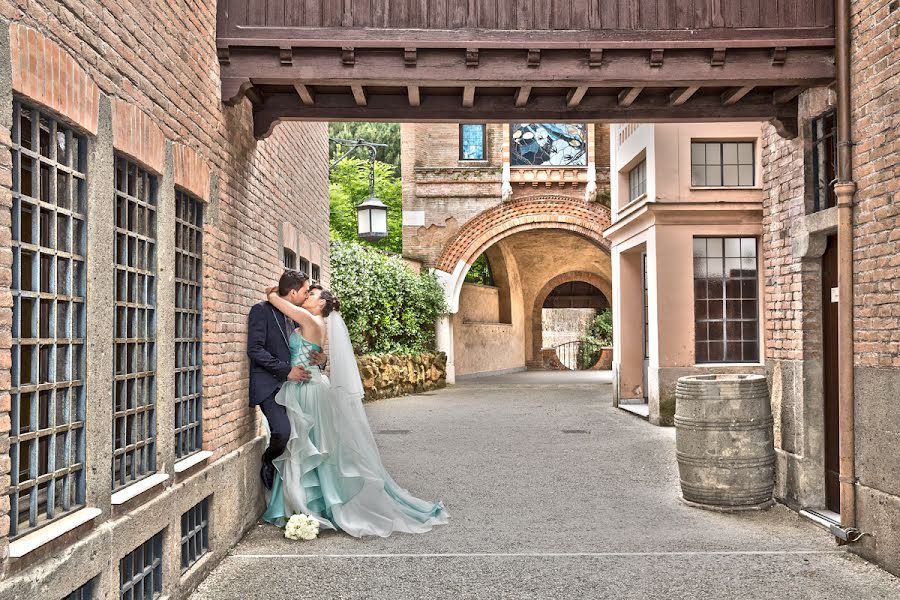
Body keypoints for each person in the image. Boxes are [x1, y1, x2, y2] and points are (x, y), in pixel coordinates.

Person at [261, 284, 448, 537]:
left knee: (308, 445)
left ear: (322, 304)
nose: (308, 296)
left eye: (312, 294)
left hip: (308, 390)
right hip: (306, 385)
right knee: (310, 445)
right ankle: (308, 505)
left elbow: (282, 304)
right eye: (308, 291)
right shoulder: (314, 322)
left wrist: (272, 294)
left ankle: (308, 506)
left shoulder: (310, 319)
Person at [247, 270, 326, 490]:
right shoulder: (260, 311)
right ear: (292, 292)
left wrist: (321, 359)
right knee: (283, 432)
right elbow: (255, 349)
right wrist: (286, 371)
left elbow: (303, 349)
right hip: (270, 384)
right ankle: (269, 461)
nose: (307, 295)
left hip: (293, 388)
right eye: (305, 291)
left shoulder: (295, 315)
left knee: (305, 437)